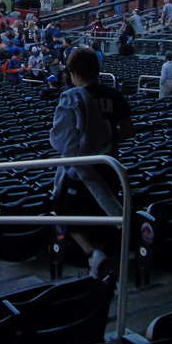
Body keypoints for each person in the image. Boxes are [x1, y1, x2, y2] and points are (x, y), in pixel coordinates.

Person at [49, 47, 133, 278]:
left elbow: (61, 140)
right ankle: (99, 269)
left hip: (82, 171)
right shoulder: (114, 95)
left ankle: (92, 255)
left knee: (61, 210)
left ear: (74, 73)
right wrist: (106, 138)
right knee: (102, 219)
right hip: (109, 166)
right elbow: (127, 130)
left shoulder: (72, 98)